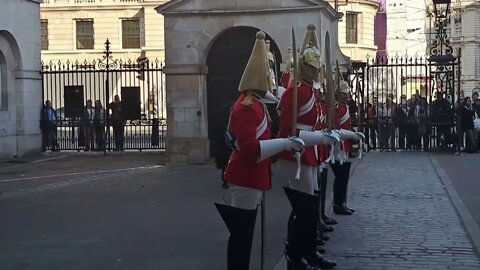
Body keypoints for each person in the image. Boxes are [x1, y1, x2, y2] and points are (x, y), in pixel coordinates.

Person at [214, 31, 305, 270]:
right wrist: (284, 144)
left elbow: (263, 140)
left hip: (253, 175)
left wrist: (283, 144)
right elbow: (251, 148)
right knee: (242, 235)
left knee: (246, 232)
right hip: (245, 175)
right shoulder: (247, 107)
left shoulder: (257, 105)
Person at [276, 24, 338, 270]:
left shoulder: (310, 91)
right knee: (303, 207)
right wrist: (319, 139)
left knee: (310, 205)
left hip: (309, 151)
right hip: (296, 153)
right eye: (311, 68)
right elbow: (287, 131)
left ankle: (308, 250)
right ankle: (295, 254)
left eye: (316, 68)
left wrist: (322, 137)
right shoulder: (295, 92)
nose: (315, 72)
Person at [331, 79, 364, 216]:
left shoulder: (344, 107)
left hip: (345, 144)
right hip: (339, 145)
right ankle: (337, 204)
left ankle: (342, 202)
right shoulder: (337, 107)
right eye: (343, 93)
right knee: (340, 176)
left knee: (344, 177)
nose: (346, 95)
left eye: (346, 93)